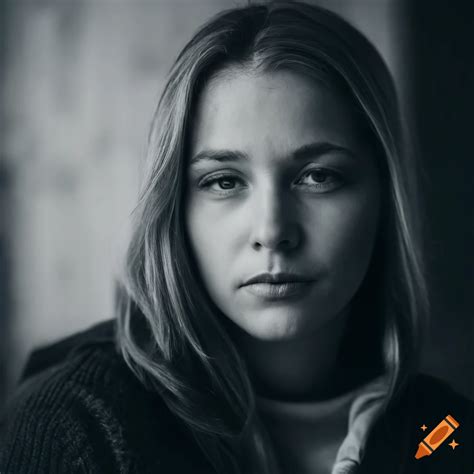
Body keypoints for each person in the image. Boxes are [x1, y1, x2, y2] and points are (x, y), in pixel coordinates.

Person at [1, 2, 472, 473]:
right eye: (224, 181)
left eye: (318, 177)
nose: (271, 231)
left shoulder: (449, 435)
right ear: (174, 207)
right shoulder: (74, 426)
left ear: (385, 197)